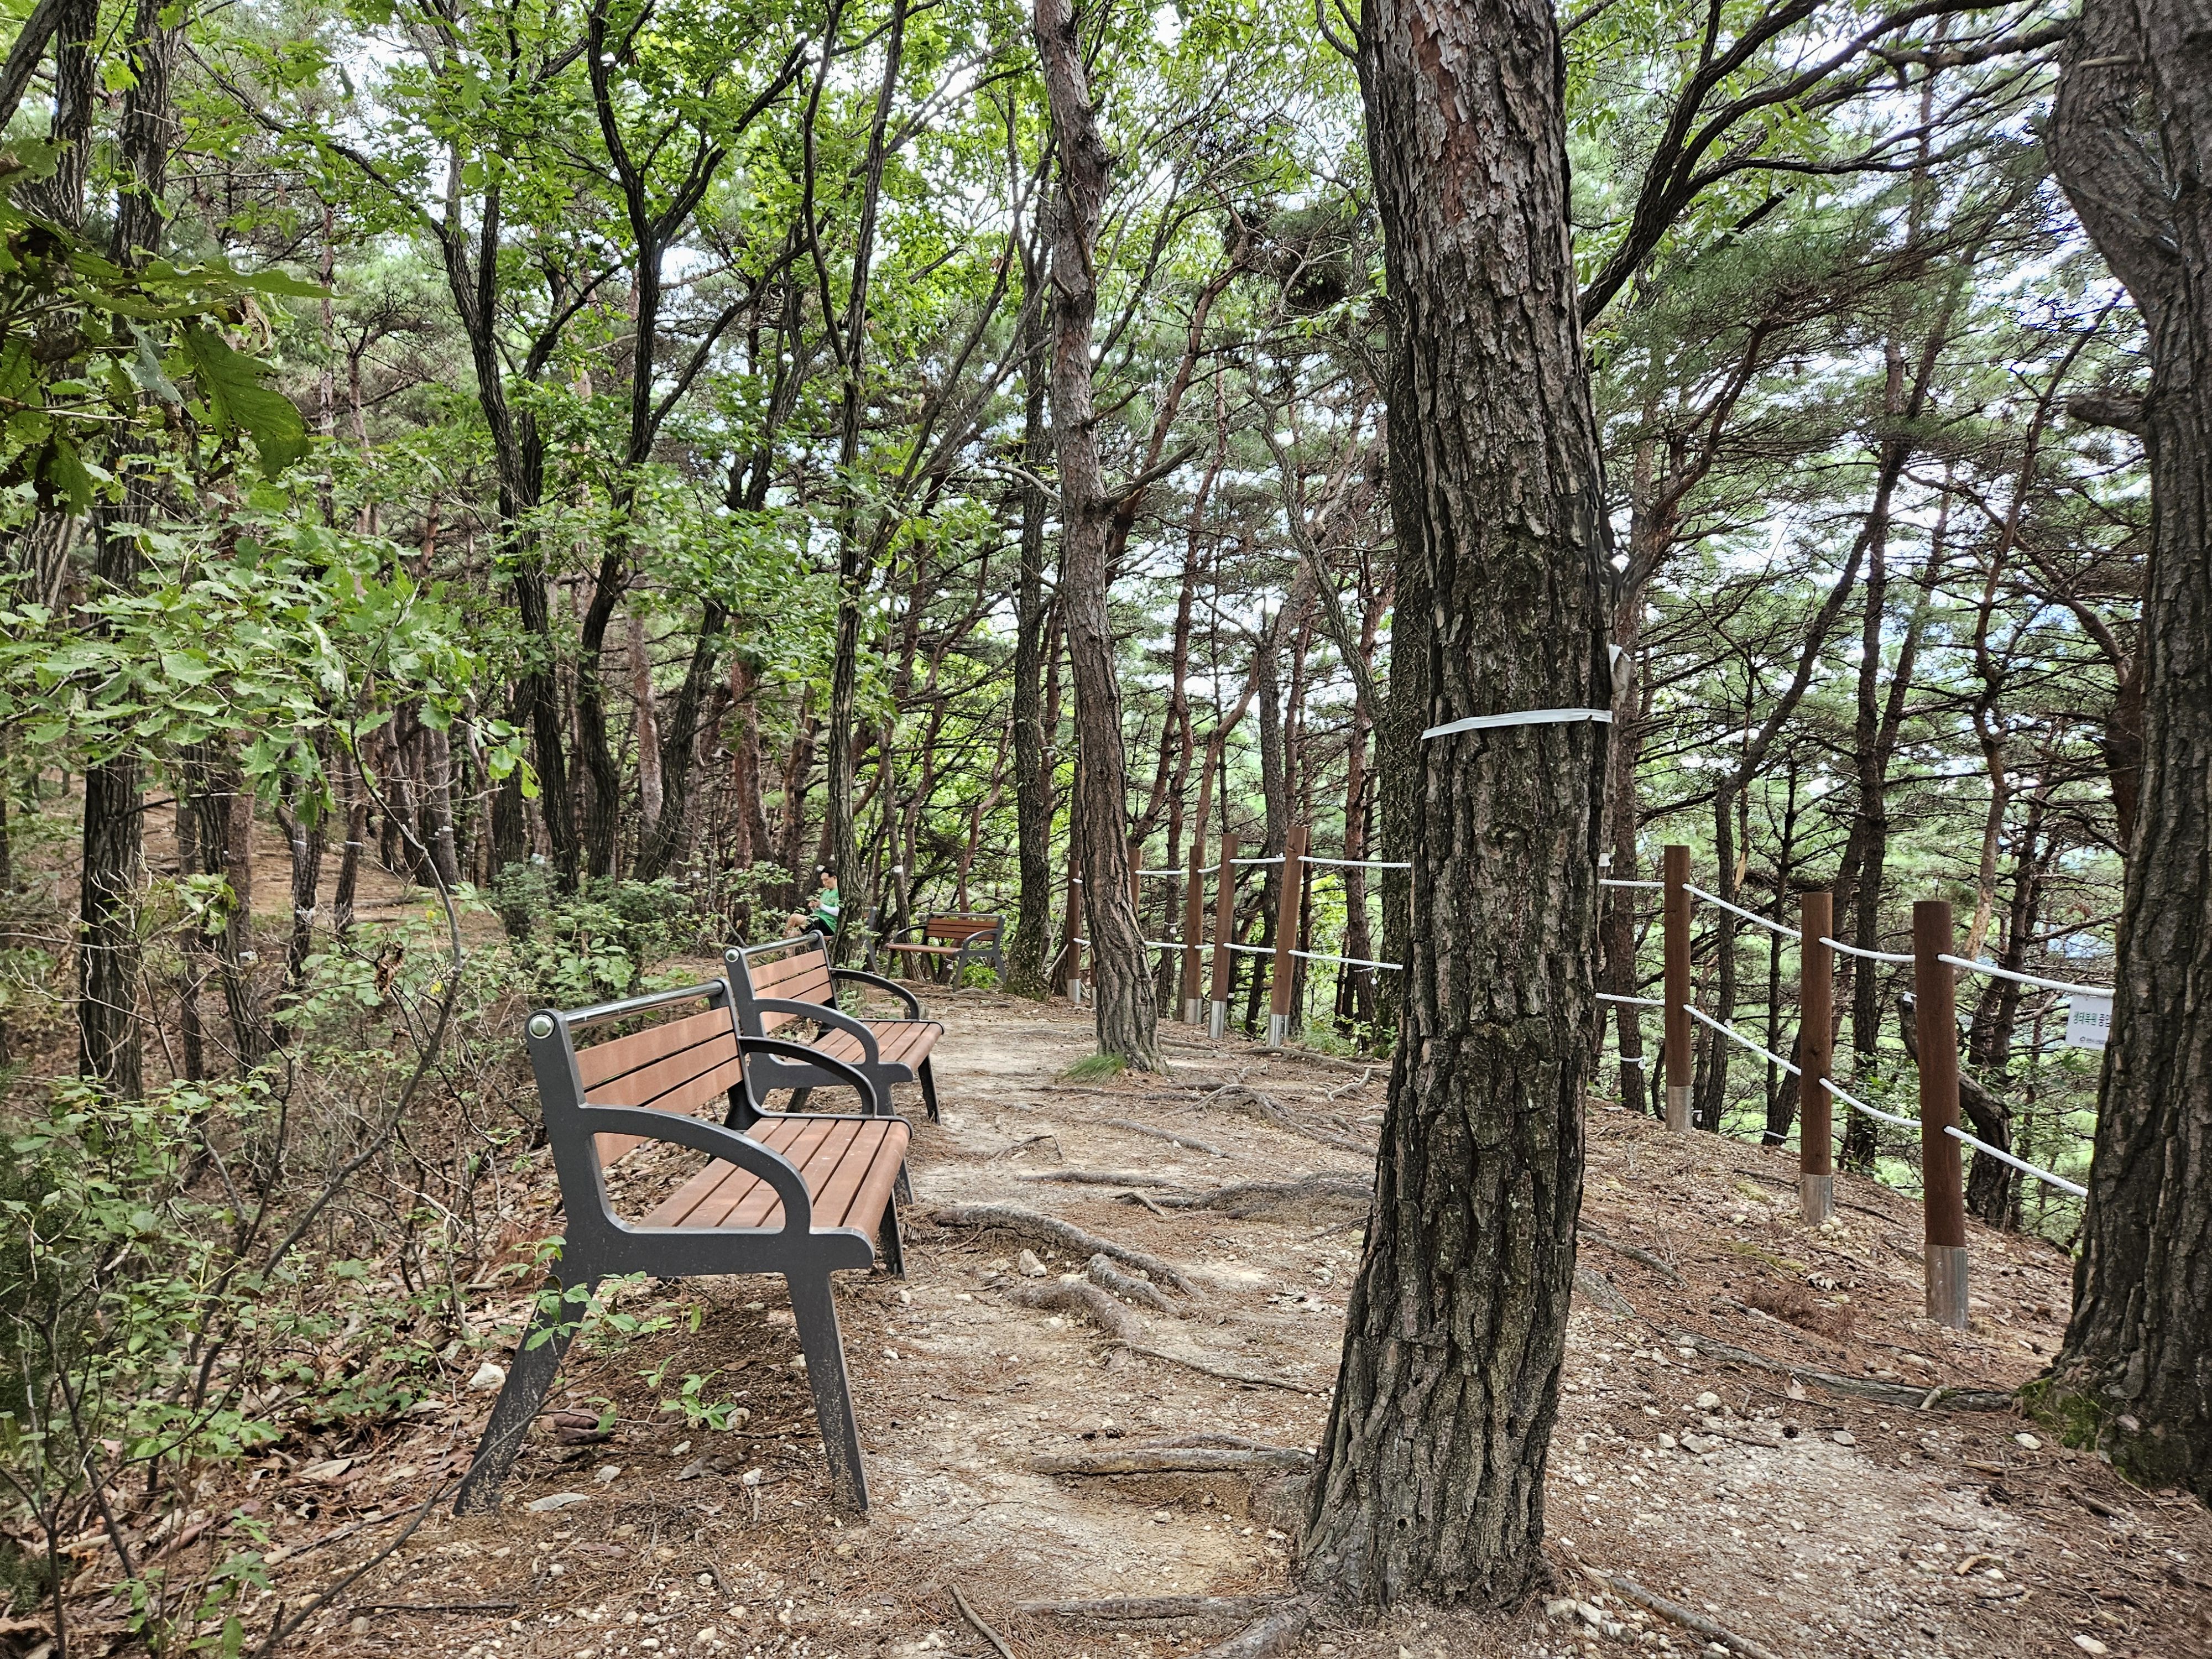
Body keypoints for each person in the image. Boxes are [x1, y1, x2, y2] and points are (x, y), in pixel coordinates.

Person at [785, 868, 841, 938]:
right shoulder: (826, 892)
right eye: (823, 880)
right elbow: (820, 911)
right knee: (793, 934)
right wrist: (814, 907)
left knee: (794, 917)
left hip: (828, 924)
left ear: (834, 878)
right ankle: (785, 944)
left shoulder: (839, 892)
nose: (824, 883)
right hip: (816, 920)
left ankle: (781, 940)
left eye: (826, 880)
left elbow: (838, 912)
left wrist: (821, 905)